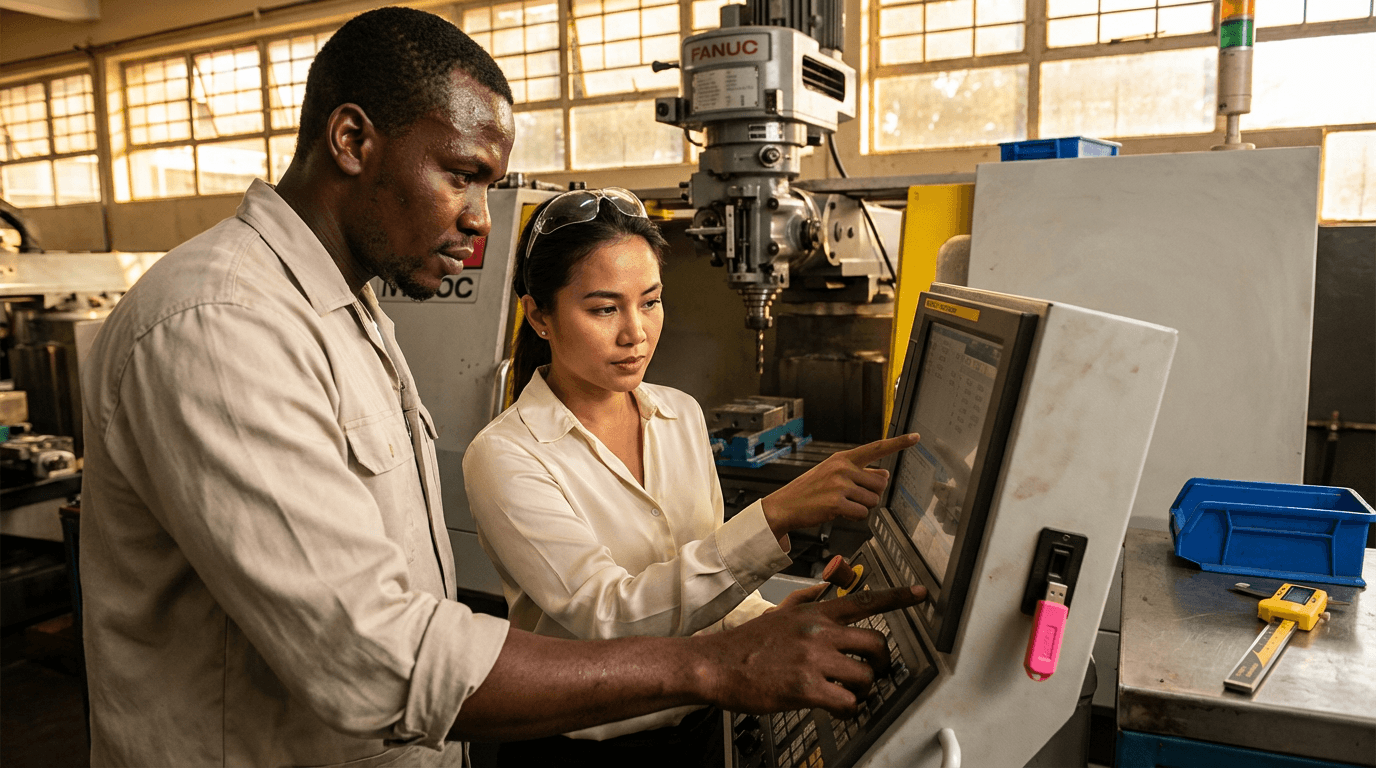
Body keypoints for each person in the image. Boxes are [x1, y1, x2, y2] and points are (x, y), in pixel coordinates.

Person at [78, 7, 924, 767]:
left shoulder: (349, 313)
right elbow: (379, 660)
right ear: (352, 140)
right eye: (461, 174)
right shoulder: (224, 323)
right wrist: (713, 665)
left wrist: (763, 630)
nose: (483, 219)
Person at [461, 187, 921, 766]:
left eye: (650, 302)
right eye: (604, 309)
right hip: (582, 751)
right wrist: (773, 514)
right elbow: (609, 617)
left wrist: (768, 621)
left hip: (702, 727)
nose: (635, 333)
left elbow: (700, 576)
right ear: (539, 316)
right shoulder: (506, 456)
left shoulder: (680, 413)